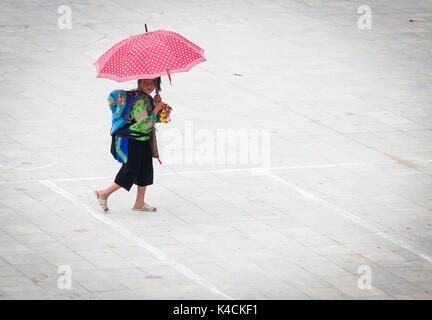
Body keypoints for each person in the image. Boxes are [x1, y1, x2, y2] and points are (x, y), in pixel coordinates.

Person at [94, 78, 166, 213]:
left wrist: (157, 104)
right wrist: (156, 110)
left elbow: (159, 120)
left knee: (145, 170)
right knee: (130, 171)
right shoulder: (138, 102)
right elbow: (145, 125)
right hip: (131, 141)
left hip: (142, 140)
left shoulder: (147, 99)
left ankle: (139, 203)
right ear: (139, 83)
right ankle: (103, 193)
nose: (149, 86)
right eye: (145, 82)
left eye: (152, 83)